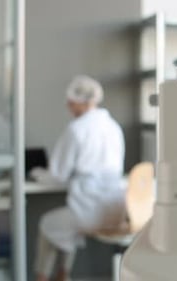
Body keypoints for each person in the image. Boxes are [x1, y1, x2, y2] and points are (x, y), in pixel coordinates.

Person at [31, 75, 126, 281]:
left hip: (89, 209)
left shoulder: (76, 129)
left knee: (49, 225)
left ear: (80, 102)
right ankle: (63, 275)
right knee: (65, 226)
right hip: (116, 208)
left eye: (71, 102)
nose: (68, 106)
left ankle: (43, 277)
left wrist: (36, 174)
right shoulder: (113, 127)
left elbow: (57, 175)